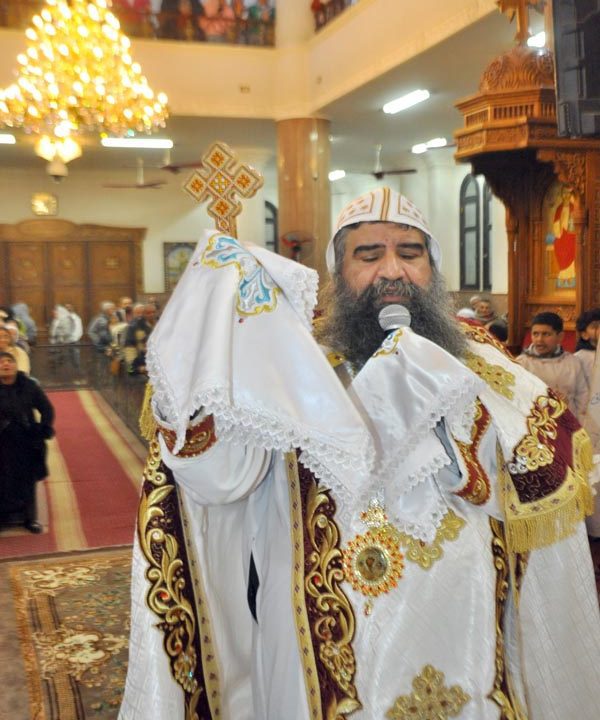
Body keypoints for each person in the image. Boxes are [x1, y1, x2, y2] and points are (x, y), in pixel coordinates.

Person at [120, 188, 600, 720]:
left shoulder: (481, 361)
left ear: (433, 269)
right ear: (338, 274)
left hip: (465, 635)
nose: (392, 271)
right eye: (368, 256)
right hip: (318, 652)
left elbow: (541, 471)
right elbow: (219, 479)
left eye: (410, 253)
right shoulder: (291, 365)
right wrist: (205, 355)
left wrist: (460, 442)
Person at [0, 352, 54, 533]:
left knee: (26, 479)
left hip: (25, 440)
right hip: (2, 442)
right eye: (1, 362)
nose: (5, 365)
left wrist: (42, 430)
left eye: (9, 361)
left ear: (16, 366)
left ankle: (29, 518)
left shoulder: (29, 386)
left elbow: (47, 409)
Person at [516, 311, 589, 420]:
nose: (539, 339)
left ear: (560, 336)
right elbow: (516, 397)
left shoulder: (573, 362)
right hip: (534, 422)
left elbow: (583, 398)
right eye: (535, 334)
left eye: (546, 334)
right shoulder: (521, 363)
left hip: (568, 420)